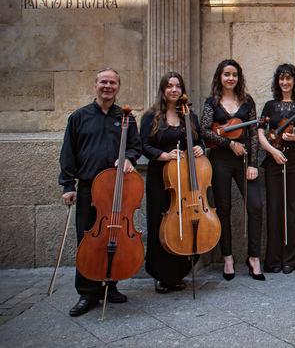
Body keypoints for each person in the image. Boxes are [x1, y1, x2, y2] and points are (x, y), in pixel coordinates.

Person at [58, 68, 142, 316]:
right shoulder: (79, 117)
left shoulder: (126, 118)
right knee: (88, 240)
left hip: (117, 189)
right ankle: (87, 293)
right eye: (103, 82)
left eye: (112, 83)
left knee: (114, 237)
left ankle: (111, 284)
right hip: (87, 188)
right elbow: (68, 153)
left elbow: (134, 147)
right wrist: (67, 185)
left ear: (118, 86)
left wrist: (128, 158)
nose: (108, 86)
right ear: (96, 85)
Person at [200, 59, 263, 281]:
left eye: (234, 74)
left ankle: (253, 257)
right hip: (220, 160)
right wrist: (229, 143)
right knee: (223, 208)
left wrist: (254, 163)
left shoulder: (247, 101)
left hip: (245, 159)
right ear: (220, 77)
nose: (230, 78)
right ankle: (227, 257)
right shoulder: (211, 102)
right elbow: (205, 131)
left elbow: (254, 133)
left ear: (239, 77)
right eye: (226, 74)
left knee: (255, 206)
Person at [140, 72, 202, 293]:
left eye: (177, 86)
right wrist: (163, 155)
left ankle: (178, 273)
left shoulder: (189, 115)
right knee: (160, 224)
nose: (174, 90)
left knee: (183, 224)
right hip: (161, 178)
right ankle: (160, 274)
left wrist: (199, 147)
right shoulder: (151, 116)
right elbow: (143, 145)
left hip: (184, 179)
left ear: (182, 90)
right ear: (163, 90)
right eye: (169, 86)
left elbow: (200, 139)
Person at [258, 63, 295, 274]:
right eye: (282, 79)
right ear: (278, 82)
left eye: (289, 79)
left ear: (294, 81)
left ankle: (293, 258)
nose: (285, 82)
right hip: (274, 160)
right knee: (275, 208)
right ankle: (274, 259)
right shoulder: (270, 105)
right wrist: (272, 151)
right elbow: (260, 132)